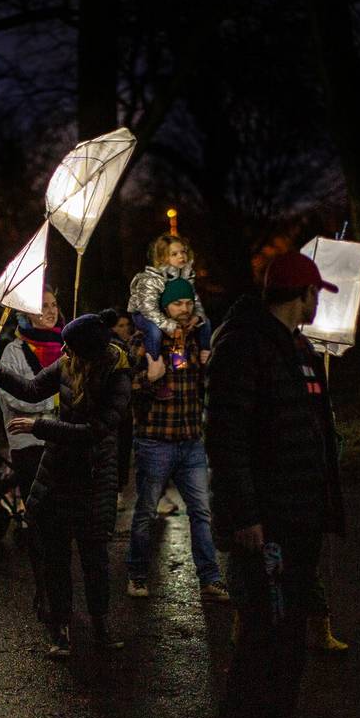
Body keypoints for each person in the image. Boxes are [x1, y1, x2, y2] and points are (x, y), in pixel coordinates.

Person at [206, 251, 345, 718]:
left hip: (299, 515)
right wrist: (245, 517)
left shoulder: (297, 348)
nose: (316, 304)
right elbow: (227, 438)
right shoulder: (244, 344)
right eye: (314, 295)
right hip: (267, 522)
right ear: (301, 295)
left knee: (286, 636)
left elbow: (311, 429)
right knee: (267, 633)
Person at [0, 309, 132, 658]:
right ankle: (60, 628)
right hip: (59, 473)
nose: (63, 354)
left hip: (95, 476)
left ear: (88, 352)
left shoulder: (118, 376)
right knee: (55, 553)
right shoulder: (67, 364)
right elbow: (32, 389)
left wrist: (40, 427)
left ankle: (101, 626)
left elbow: (95, 432)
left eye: (70, 350)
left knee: (94, 557)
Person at [124, 279, 230, 603]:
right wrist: (148, 378)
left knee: (201, 511)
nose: (184, 309)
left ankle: (210, 579)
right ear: (164, 308)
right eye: (176, 304)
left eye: (188, 303)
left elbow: (207, 381)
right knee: (145, 511)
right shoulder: (145, 340)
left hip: (191, 440)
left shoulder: (199, 339)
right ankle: (137, 575)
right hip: (156, 440)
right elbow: (125, 386)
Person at [0, 286, 64, 615]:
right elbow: (18, 398)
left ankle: (58, 589)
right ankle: (44, 590)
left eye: (53, 305)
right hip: (29, 447)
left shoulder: (66, 348)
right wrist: (54, 402)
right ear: (26, 314)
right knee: (41, 520)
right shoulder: (14, 352)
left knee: (60, 522)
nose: (50, 311)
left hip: (60, 442)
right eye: (42, 307)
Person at [127, 234, 212, 400]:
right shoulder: (152, 279)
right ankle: (156, 363)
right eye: (174, 254)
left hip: (189, 422)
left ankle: (201, 357)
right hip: (144, 313)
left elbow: (196, 302)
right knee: (155, 332)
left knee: (204, 323)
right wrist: (149, 377)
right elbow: (149, 308)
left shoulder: (185, 277)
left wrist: (198, 317)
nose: (181, 256)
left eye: (183, 252)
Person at [110, 309, 136, 505]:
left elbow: (179, 368)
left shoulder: (138, 342)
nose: (125, 329)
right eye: (120, 325)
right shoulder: (113, 348)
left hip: (131, 412)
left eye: (127, 325)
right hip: (118, 412)